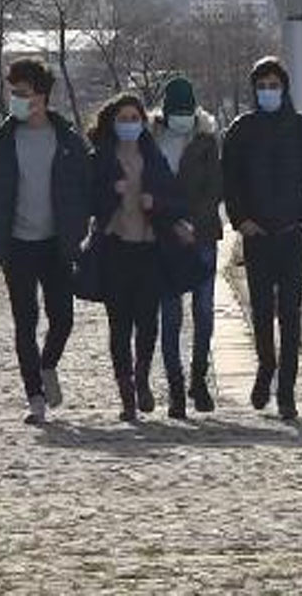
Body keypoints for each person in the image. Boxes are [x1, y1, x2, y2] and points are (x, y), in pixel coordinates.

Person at [223, 57, 302, 421]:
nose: (268, 91)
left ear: (284, 88)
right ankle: (265, 365)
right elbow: (231, 179)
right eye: (262, 86)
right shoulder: (242, 129)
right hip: (258, 235)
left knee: (289, 312)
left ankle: (286, 390)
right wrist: (241, 220)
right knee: (262, 310)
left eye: (274, 85)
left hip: (292, 234)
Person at [0, 58, 90, 425]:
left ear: (43, 97)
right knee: (24, 321)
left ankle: (47, 365)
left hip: (56, 242)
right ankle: (34, 396)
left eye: (23, 94)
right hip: (17, 243)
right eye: (12, 93)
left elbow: (85, 185)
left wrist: (81, 228)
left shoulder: (66, 139)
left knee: (62, 318)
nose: (16, 100)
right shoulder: (2, 142)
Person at [90, 93, 195, 422]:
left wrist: (157, 203)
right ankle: (126, 395)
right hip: (115, 248)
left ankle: (143, 377)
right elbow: (86, 197)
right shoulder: (100, 158)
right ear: (112, 122)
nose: (129, 125)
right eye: (123, 119)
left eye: (135, 119)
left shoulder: (153, 155)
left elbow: (173, 197)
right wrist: (111, 192)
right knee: (119, 325)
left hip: (149, 248)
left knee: (147, 324)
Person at [151, 77, 223, 414]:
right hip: (166, 239)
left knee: (204, 311)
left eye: (185, 111)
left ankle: (199, 379)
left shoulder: (206, 140)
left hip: (203, 234)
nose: (181, 118)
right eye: (175, 112)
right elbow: (151, 188)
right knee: (170, 314)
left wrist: (193, 224)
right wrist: (172, 223)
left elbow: (213, 189)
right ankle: (175, 387)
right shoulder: (153, 140)